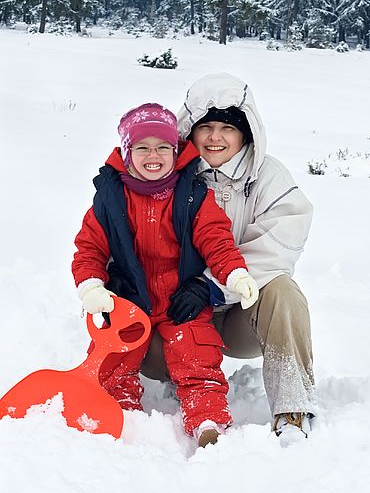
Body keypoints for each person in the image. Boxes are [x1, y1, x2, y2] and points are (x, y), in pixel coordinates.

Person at [141, 74, 317, 444]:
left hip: (239, 318)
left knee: (283, 291)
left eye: (227, 127)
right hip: (176, 315)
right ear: (189, 130)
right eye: (205, 126)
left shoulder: (268, 176)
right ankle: (185, 378)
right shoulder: (164, 176)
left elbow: (280, 244)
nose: (215, 137)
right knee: (147, 351)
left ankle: (292, 409)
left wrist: (210, 286)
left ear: (247, 132)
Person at [71, 102, 259, 448]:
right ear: (128, 153)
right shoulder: (110, 198)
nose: (152, 155)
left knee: (196, 356)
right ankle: (121, 412)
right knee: (113, 359)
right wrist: (92, 285)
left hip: (181, 300)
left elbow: (216, 239)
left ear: (176, 152)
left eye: (162, 147)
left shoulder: (194, 196)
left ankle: (208, 422)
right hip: (130, 301)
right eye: (142, 147)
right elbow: (89, 248)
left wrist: (235, 273)